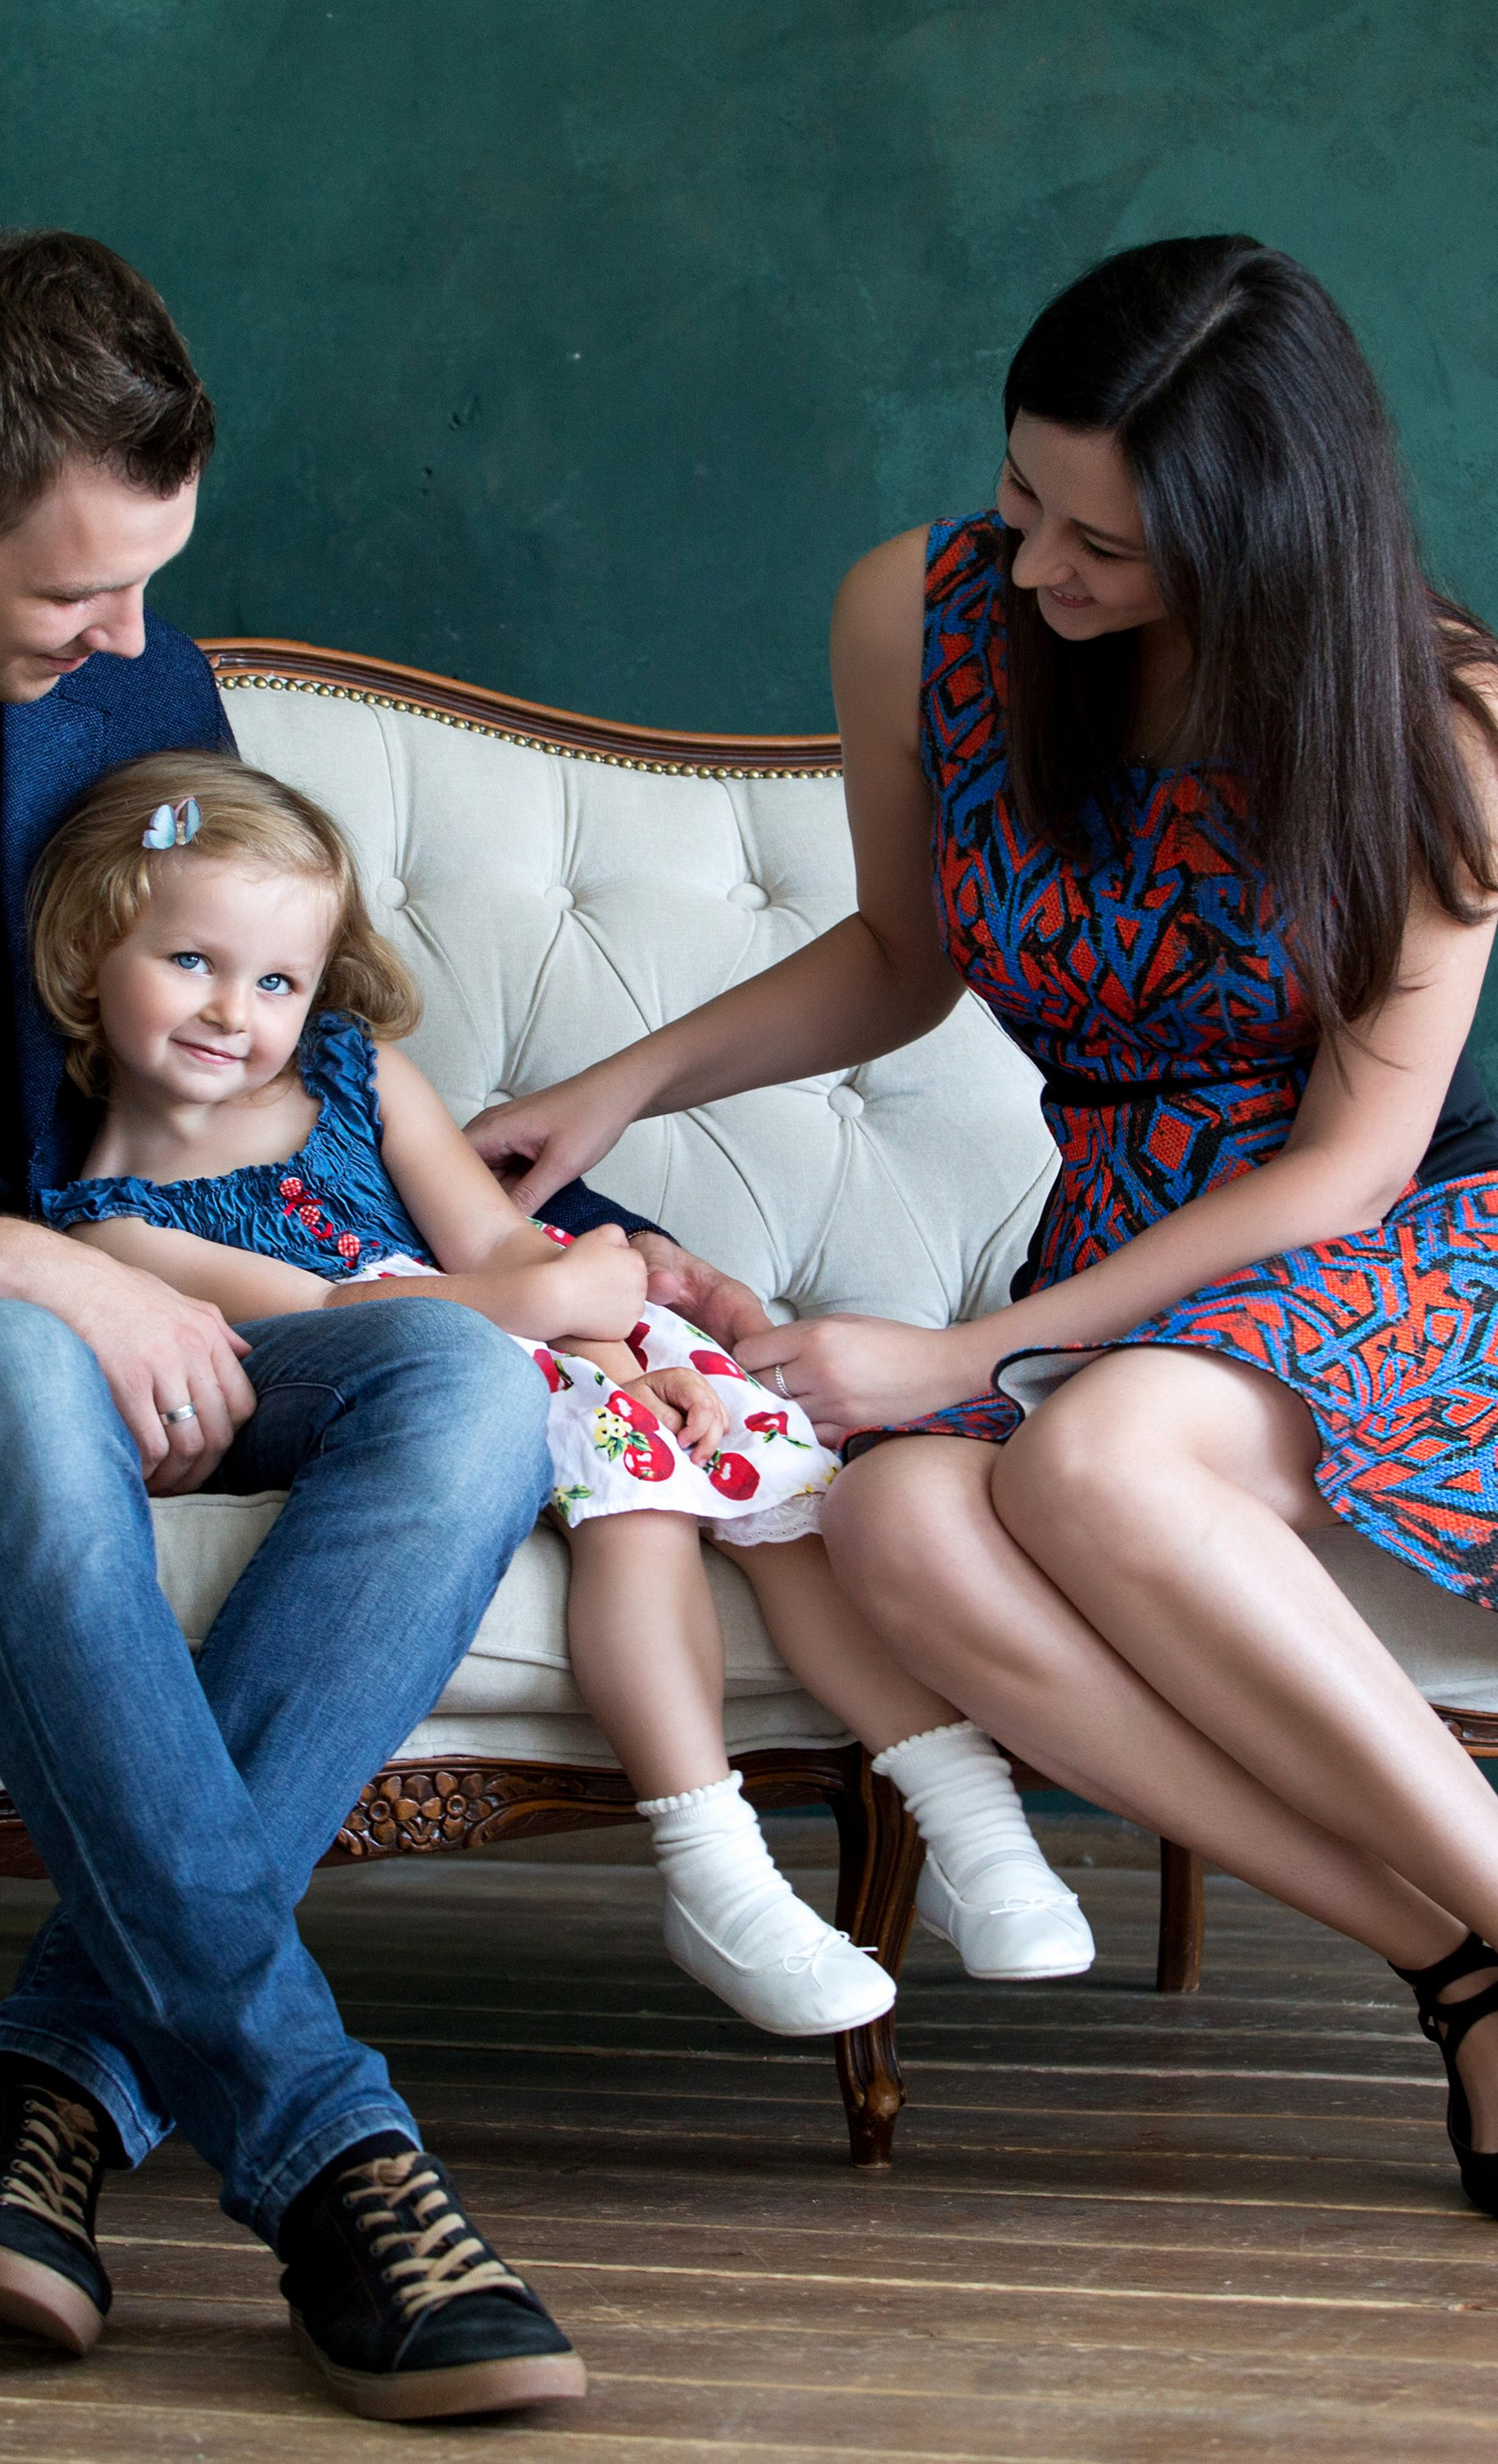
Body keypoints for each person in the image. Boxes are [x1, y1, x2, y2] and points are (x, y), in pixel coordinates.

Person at [468, 234, 1498, 2218]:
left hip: (1400, 1247)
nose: (1038, 572)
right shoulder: (921, 611)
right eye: (1026, 499)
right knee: (895, 1521)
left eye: (1103, 545)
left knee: (1096, 1453)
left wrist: (973, 1354)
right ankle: (1457, 1965)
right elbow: (899, 958)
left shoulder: (1438, 724)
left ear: (1262, 544)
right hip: (1130, 1259)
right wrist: (619, 1085)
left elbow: (1347, 1174)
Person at [0, 228, 728, 2425]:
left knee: (455, 1373)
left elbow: (295, 1071)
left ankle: (49, 2093)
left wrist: (625, 1247)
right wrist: (4, 1256)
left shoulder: (131, 698)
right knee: (8, 1364)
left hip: (145, 1311)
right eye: (79, 596)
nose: (137, 646)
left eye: (151, 582)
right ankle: (333, 2153)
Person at [21, 746, 1090, 2037]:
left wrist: (633, 1361)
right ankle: (714, 1867)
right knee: (633, 1506)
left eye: (277, 981)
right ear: (87, 955)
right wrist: (561, 1321)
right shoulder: (109, 1232)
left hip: (557, 1339)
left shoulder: (358, 1078)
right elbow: (336, 1323)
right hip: (428, 1386)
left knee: (785, 1500)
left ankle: (964, 1813)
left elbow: (496, 1242)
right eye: (190, 962)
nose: (232, 1011)